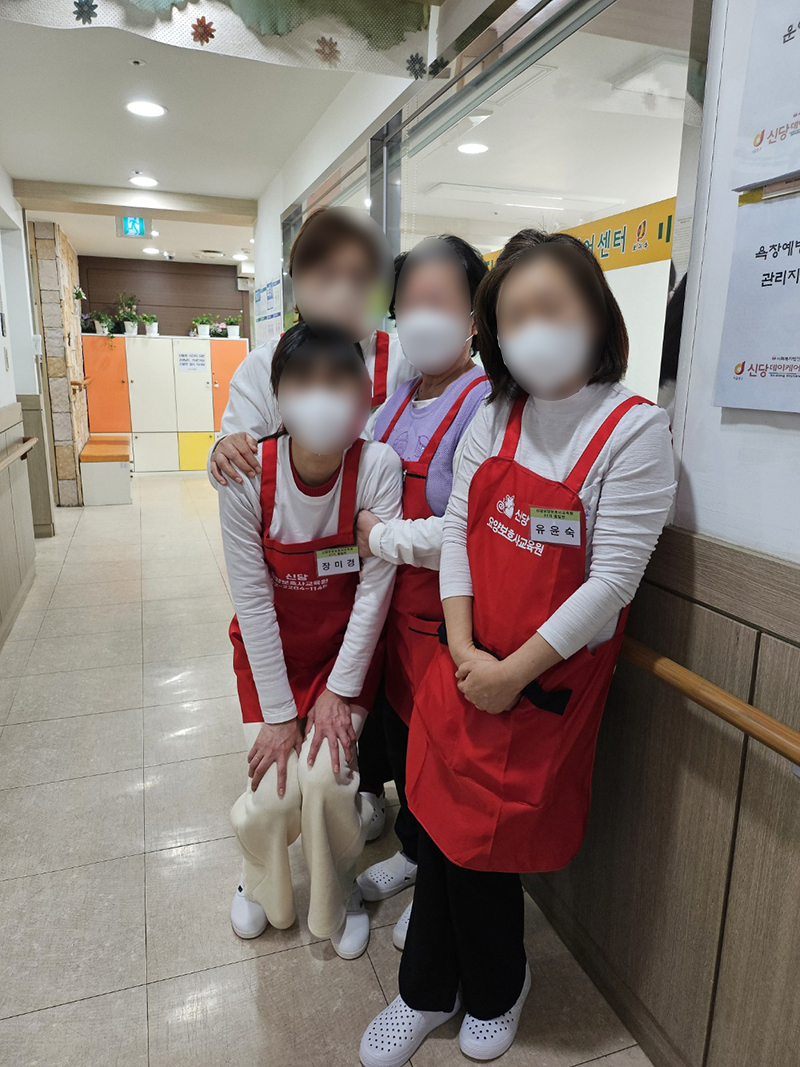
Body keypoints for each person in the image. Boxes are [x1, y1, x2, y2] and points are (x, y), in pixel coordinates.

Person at [359, 230, 677, 1066]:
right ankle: (432, 988)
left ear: (595, 312)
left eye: (551, 307)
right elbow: (461, 530)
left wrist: (510, 672)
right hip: (464, 663)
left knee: (487, 843)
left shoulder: (633, 433)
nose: (533, 329)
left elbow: (610, 585)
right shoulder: (497, 413)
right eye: (513, 316)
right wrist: (464, 645)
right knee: (439, 819)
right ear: (494, 334)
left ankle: (494, 985)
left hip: (542, 685)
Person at [219, 323, 402, 961]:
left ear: (365, 395)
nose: (321, 396)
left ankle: (338, 890)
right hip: (269, 657)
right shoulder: (247, 475)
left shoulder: (377, 467)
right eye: (303, 381)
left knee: (327, 782)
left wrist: (340, 692)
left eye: (338, 380)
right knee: (276, 792)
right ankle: (259, 878)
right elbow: (252, 600)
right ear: (277, 396)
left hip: (341, 658)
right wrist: (279, 715)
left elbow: (375, 593)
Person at [354, 236, 490, 951]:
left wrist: (380, 536)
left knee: (442, 760)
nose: (419, 315)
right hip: (392, 618)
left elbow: (466, 530)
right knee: (405, 741)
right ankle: (412, 853)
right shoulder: (398, 399)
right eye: (408, 301)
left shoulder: (485, 403)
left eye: (437, 300)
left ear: (475, 316)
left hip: (445, 618)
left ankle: (436, 883)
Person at [209, 206, 415, 488]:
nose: (343, 293)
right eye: (327, 276)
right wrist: (224, 450)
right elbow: (233, 471)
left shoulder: (405, 359)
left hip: (382, 512)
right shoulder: (263, 363)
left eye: (360, 278)